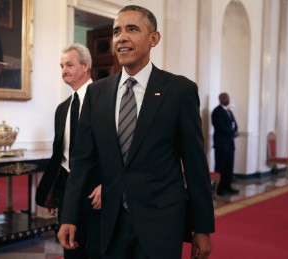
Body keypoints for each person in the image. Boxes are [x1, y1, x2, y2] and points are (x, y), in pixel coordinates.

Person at [57, 5, 215, 259]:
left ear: (154, 38)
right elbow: (82, 161)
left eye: (132, 29)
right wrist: (69, 215)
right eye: (117, 31)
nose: (122, 37)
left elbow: (195, 163)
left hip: (161, 222)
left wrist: (202, 227)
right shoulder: (97, 93)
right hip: (108, 221)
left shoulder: (179, 90)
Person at [35, 43, 101, 259]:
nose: (64, 70)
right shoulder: (62, 108)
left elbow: (116, 149)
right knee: (70, 249)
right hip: (67, 190)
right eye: (61, 65)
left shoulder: (104, 100)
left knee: (94, 250)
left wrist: (107, 183)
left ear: (85, 65)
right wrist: (53, 194)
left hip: (95, 191)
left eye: (69, 64)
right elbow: (60, 155)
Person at [211, 92, 240, 196]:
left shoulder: (229, 111)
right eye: (225, 97)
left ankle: (228, 186)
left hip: (230, 144)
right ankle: (219, 188)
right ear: (220, 99)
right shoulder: (217, 111)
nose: (227, 99)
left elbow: (234, 124)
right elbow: (219, 126)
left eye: (228, 97)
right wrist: (231, 133)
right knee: (221, 166)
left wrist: (235, 131)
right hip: (221, 144)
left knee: (229, 166)